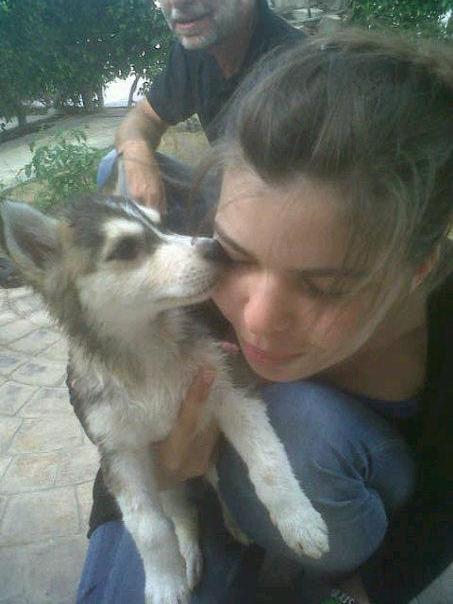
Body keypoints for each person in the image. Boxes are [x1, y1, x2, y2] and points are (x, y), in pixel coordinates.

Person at [75, 29, 453, 604]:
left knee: (305, 433)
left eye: (325, 287)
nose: (257, 320)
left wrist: (366, 590)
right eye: (235, 255)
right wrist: (158, 459)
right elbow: (93, 354)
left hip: (328, 484)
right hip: (183, 479)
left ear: (419, 269)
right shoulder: (195, 264)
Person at [99, 0, 303, 215]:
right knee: (117, 164)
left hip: (270, 212)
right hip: (224, 192)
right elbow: (144, 116)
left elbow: (297, 204)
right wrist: (135, 149)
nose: (176, 2)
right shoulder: (196, 52)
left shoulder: (295, 70)